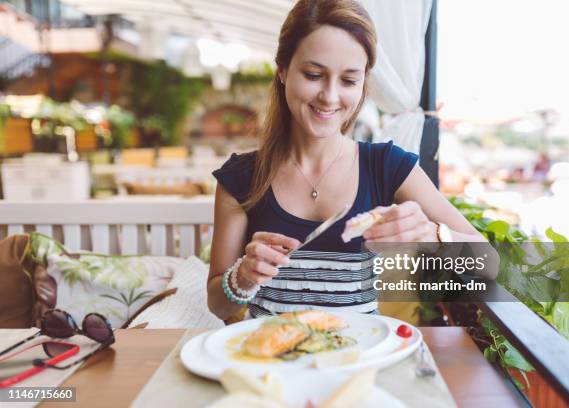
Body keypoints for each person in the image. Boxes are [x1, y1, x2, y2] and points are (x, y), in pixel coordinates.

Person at [208, 0, 496, 321]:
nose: (330, 97)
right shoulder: (241, 178)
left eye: (348, 80)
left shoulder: (387, 166)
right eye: (314, 74)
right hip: (269, 367)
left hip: (361, 363)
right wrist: (242, 277)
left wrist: (432, 235)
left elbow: (489, 263)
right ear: (283, 70)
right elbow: (218, 306)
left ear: (363, 85)